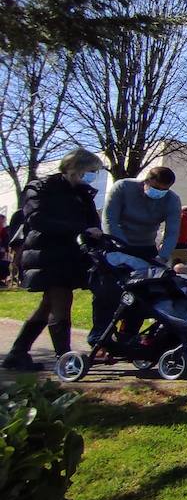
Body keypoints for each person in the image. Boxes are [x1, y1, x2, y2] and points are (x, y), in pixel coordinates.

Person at [3, 148, 103, 370]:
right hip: (47, 253)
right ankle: (64, 358)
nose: (92, 175)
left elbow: (92, 220)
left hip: (69, 254)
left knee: (47, 304)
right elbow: (38, 219)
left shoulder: (82, 193)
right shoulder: (40, 187)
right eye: (90, 170)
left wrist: (96, 235)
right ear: (74, 168)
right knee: (61, 301)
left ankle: (17, 353)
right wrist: (82, 229)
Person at [102, 166, 180, 262]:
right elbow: (109, 219)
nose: (159, 192)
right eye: (155, 188)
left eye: (164, 190)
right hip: (117, 242)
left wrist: (163, 256)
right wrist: (120, 244)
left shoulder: (172, 200)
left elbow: (172, 231)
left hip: (147, 246)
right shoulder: (123, 187)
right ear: (146, 181)